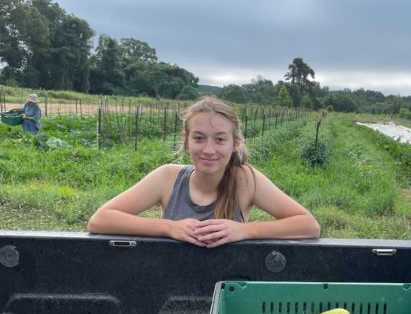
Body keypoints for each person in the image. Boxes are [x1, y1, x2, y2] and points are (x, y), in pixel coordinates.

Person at [87, 95, 320, 247]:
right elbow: (99, 221)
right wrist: (169, 227)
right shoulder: (167, 177)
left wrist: (246, 230)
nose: (209, 150)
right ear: (186, 140)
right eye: (199, 138)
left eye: (220, 139)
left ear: (235, 142)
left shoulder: (245, 180)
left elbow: (308, 225)